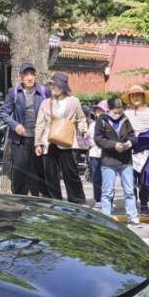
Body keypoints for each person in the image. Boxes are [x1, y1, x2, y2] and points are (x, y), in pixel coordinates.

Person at [34, 72, 88, 204]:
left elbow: (81, 118)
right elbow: (40, 124)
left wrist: (83, 129)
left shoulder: (74, 101)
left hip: (67, 140)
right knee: (50, 174)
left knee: (70, 172)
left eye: (56, 85)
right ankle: (55, 201)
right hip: (48, 141)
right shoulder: (46, 102)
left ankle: (77, 201)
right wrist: (38, 143)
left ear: (63, 87)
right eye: (52, 85)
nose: (54, 88)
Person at [0, 62, 50, 197]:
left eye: (32, 74)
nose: (29, 77)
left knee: (39, 172)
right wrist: (15, 125)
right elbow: (4, 112)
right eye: (26, 74)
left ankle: (39, 200)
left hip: (39, 139)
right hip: (20, 140)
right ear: (20, 77)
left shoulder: (44, 92)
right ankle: (19, 200)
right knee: (20, 172)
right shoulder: (14, 92)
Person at [94, 98, 141, 227]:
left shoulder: (125, 119)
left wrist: (130, 143)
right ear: (108, 110)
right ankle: (106, 218)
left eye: (120, 112)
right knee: (107, 191)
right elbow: (98, 139)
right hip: (109, 160)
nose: (118, 114)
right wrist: (114, 145)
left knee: (129, 191)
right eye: (115, 112)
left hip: (125, 160)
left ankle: (133, 217)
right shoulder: (102, 120)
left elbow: (133, 136)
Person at [123, 85, 149, 216]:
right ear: (129, 98)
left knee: (145, 179)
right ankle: (132, 204)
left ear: (143, 97)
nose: (136, 98)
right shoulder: (125, 113)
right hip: (130, 148)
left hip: (147, 149)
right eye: (133, 95)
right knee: (130, 179)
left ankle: (144, 204)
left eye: (138, 95)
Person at [88, 100, 108, 209]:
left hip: (107, 154)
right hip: (94, 154)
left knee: (108, 178)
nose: (99, 113)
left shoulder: (110, 125)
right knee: (96, 178)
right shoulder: (92, 125)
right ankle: (98, 199)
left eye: (101, 111)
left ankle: (108, 199)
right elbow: (89, 140)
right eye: (97, 111)